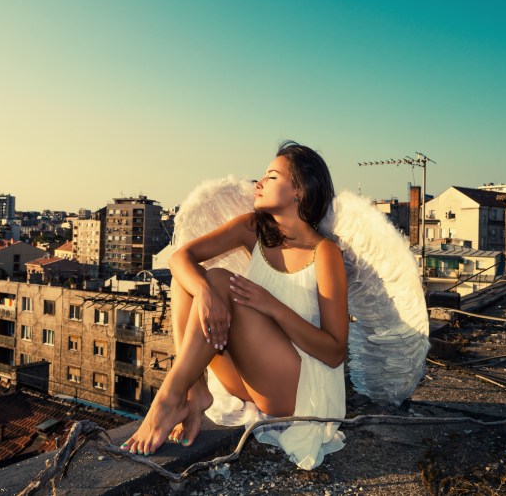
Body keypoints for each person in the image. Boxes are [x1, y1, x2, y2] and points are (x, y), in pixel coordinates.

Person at [122, 141, 348, 469]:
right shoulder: (252, 227)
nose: (258, 183)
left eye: (271, 177)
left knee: (216, 280)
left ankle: (169, 398)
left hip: (299, 391)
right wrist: (204, 291)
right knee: (190, 281)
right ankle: (194, 391)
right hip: (250, 380)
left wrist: (273, 306)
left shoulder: (325, 253)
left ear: (298, 190)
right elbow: (181, 258)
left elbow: (334, 351)